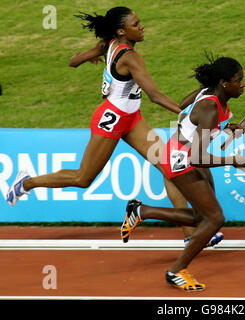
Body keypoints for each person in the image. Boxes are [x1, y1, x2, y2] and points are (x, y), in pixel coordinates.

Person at [5, 6, 224, 247]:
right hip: (111, 120)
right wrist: (186, 115)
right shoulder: (131, 57)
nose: (141, 27)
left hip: (132, 119)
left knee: (170, 168)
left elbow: (73, 61)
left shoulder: (108, 43)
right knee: (82, 178)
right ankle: (25, 183)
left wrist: (94, 55)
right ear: (121, 31)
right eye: (136, 24)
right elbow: (155, 95)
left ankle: (191, 233)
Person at [120, 55, 245, 291]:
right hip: (182, 160)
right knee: (214, 219)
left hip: (181, 153)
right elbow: (197, 157)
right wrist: (233, 160)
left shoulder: (208, 93)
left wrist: (224, 128)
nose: (243, 84)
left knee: (204, 217)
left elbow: (184, 108)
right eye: (239, 80)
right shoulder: (210, 106)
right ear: (224, 83)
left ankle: (140, 210)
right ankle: (176, 271)